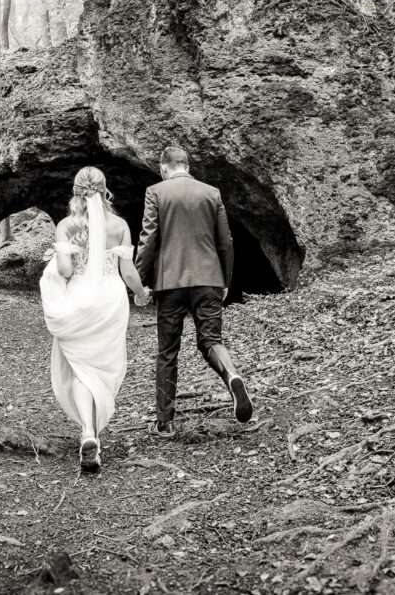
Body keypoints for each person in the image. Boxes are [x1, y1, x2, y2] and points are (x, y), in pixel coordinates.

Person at [135, 146, 253, 438]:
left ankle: (165, 422)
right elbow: (225, 240)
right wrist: (225, 279)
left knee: (167, 351)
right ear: (187, 165)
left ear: (164, 167)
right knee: (211, 339)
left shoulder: (156, 192)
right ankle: (231, 375)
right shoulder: (211, 193)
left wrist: (138, 280)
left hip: (170, 282)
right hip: (208, 278)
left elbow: (149, 238)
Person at [40, 167, 151, 473]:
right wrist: (141, 294)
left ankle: (89, 431)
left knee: (79, 366)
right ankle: (92, 430)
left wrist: (64, 260)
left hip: (78, 301)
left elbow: (63, 271)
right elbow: (128, 271)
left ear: (75, 191)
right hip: (110, 301)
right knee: (101, 366)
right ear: (106, 190)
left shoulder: (66, 225)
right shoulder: (119, 225)